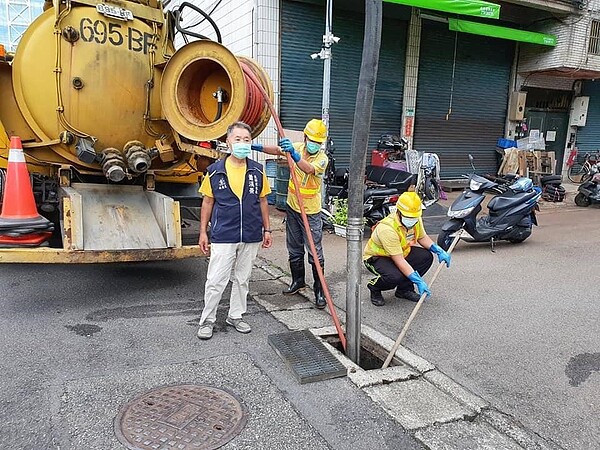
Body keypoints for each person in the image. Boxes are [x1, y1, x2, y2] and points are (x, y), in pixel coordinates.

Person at [196, 121, 273, 340]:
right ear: (228, 142)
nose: (242, 143)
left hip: (250, 234)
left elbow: (263, 201)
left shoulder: (257, 171)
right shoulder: (215, 171)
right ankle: (207, 320)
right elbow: (207, 203)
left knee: (242, 278)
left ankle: (236, 315)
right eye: (237, 139)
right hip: (224, 235)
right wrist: (203, 232)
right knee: (216, 280)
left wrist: (267, 230)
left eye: (246, 140)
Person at [252, 119, 329, 309]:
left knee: (315, 252)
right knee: (294, 247)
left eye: (318, 142)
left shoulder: (322, 159)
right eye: (312, 140)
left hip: (310, 212)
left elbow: (309, 169)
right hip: (293, 208)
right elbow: (277, 150)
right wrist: (255, 146)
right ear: (305, 136)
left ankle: (320, 291)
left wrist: (293, 155)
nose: (315, 144)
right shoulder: (297, 146)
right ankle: (298, 281)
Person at [362, 191, 451, 306]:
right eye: (409, 217)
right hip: (377, 258)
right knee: (394, 276)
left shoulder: (415, 219)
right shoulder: (387, 229)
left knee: (426, 257)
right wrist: (417, 280)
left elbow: (422, 237)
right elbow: (399, 260)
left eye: (414, 217)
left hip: (400, 253)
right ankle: (375, 287)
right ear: (398, 212)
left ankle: (404, 290)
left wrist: (438, 250)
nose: (412, 220)